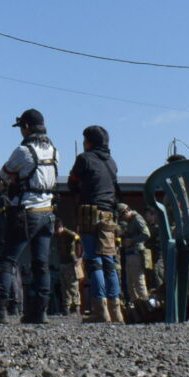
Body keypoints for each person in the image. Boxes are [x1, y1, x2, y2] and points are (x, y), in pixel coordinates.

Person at [0, 109, 59, 325]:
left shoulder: (23, 151)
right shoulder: (54, 151)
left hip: (26, 212)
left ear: (27, 127)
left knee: (7, 259)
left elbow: (4, 174)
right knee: (41, 263)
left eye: (21, 127)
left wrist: (4, 181)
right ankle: (40, 312)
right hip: (47, 212)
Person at [70, 125, 123, 323]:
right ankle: (116, 311)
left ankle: (101, 310)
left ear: (89, 142)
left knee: (93, 261)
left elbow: (72, 183)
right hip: (108, 215)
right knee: (109, 261)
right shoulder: (112, 162)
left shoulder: (84, 159)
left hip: (89, 213)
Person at [117, 201, 151, 308]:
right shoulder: (130, 221)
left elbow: (146, 234)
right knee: (130, 282)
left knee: (138, 282)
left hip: (136, 253)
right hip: (130, 254)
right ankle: (137, 307)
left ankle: (146, 306)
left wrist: (132, 240)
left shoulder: (137, 219)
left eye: (122, 216)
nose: (122, 219)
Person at [49, 222, 81, 316]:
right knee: (64, 286)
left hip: (70, 262)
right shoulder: (58, 236)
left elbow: (78, 239)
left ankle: (76, 307)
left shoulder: (68, 234)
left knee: (73, 285)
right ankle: (66, 307)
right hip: (63, 262)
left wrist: (79, 257)